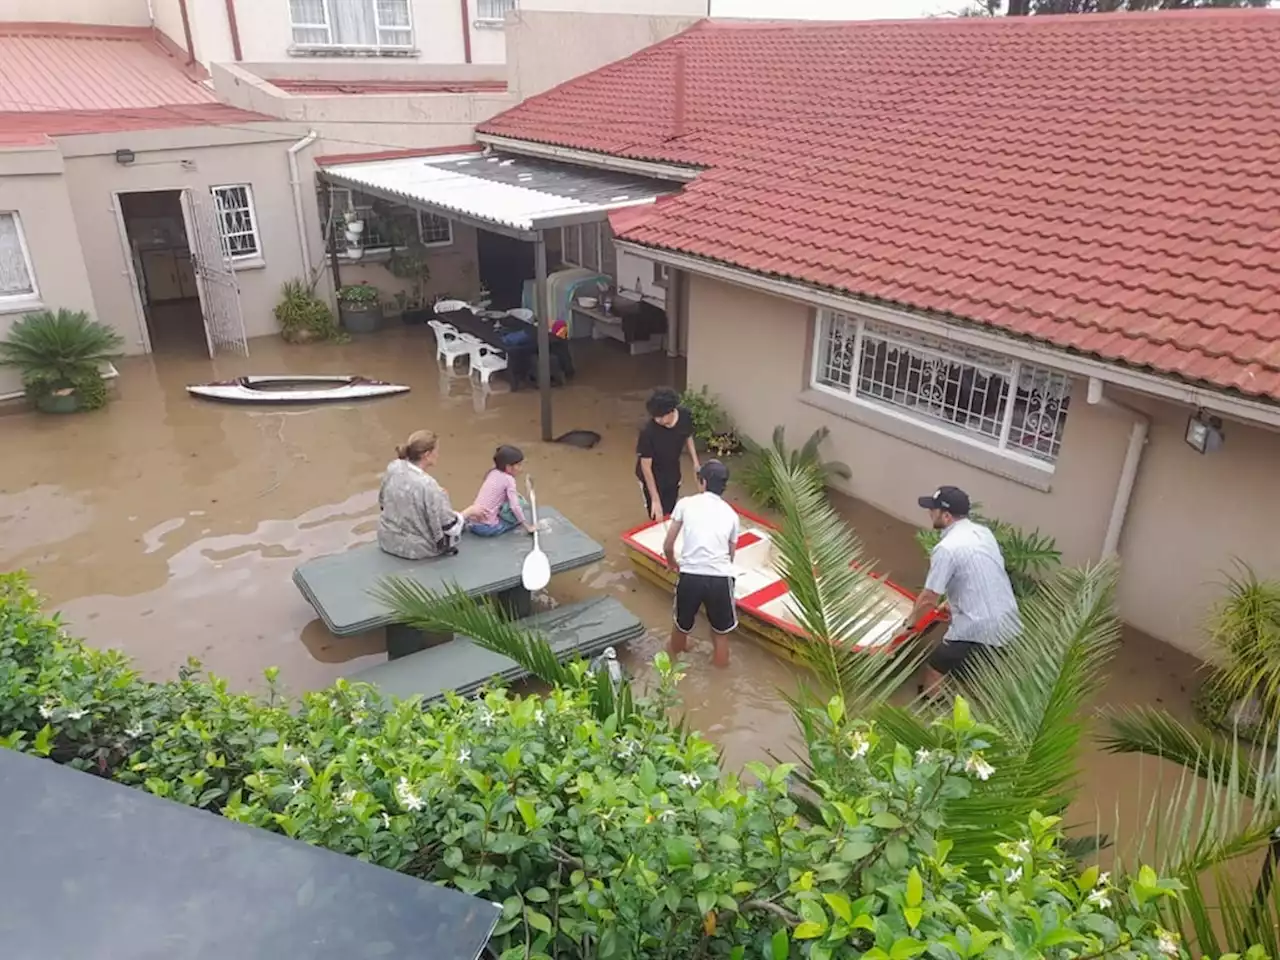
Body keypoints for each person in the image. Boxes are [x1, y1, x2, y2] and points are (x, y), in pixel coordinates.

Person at [903, 486, 1021, 695]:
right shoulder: (983, 533)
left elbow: (928, 598)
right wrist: (950, 604)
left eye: (934, 509)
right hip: (1008, 618)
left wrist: (908, 626)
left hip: (977, 625)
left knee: (934, 668)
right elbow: (980, 575)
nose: (930, 512)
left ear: (946, 516)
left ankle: (931, 703)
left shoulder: (947, 548)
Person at [662, 460, 740, 668]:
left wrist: (672, 563)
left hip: (691, 576)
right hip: (721, 578)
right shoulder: (732, 515)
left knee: (681, 627)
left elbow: (668, 544)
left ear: (702, 482)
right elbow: (730, 555)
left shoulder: (685, 504)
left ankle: (673, 671)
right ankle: (720, 679)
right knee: (720, 634)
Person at [376, 430, 464, 560]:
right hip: (416, 549)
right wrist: (466, 514)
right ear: (427, 455)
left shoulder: (394, 467)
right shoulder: (429, 485)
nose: (438, 455)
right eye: (436, 451)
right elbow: (451, 528)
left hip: (386, 539)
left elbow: (382, 502)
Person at [636, 387, 700, 521]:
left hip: (672, 471)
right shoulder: (648, 432)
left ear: (671, 411)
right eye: (655, 417)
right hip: (652, 476)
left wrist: (696, 464)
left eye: (661, 416)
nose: (657, 420)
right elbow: (646, 466)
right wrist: (655, 499)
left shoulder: (685, 416)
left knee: (671, 511)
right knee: (656, 515)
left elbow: (688, 436)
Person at [460, 445, 536, 537]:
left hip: (473, 523)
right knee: (515, 517)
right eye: (518, 465)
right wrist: (527, 526)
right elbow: (514, 506)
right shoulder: (509, 480)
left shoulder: (492, 472)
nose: (521, 469)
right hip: (487, 528)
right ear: (508, 467)